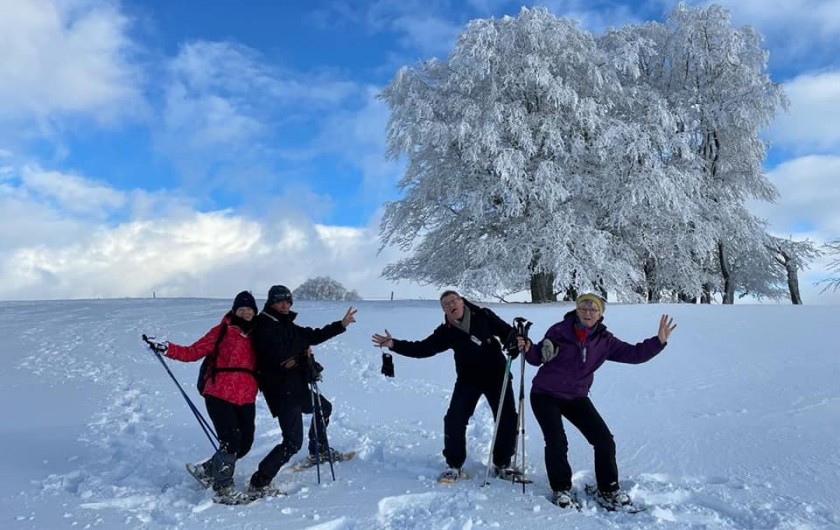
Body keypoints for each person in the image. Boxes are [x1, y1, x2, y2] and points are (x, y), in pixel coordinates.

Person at [517, 293, 676, 510]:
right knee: (556, 441)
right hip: (545, 394)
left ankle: (608, 489)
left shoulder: (604, 340)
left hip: (576, 396)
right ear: (577, 310)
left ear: (600, 314)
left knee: (604, 440)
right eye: (583, 308)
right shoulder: (559, 330)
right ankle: (561, 489)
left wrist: (658, 342)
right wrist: (529, 348)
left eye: (593, 309)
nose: (588, 313)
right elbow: (538, 358)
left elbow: (634, 354)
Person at [371, 290, 522, 483]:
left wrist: (515, 343)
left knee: (507, 418)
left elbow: (508, 333)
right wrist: (394, 344)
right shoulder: (447, 331)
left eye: (453, 301)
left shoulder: (483, 316)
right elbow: (423, 348)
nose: (451, 306)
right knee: (454, 419)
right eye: (446, 305)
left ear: (462, 302)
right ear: (444, 310)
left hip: (497, 376)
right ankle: (454, 465)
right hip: (468, 379)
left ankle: (502, 464)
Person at [248, 284, 357, 495]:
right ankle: (259, 482)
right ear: (271, 302)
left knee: (324, 408)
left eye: (288, 301)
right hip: (281, 392)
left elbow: (313, 336)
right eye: (280, 301)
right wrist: (302, 353)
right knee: (291, 442)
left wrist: (341, 325)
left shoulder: (287, 324)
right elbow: (279, 353)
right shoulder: (263, 325)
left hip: (296, 387)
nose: (285, 304)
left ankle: (318, 450)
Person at [159, 291, 260, 505]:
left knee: (245, 443)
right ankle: (223, 487)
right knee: (231, 439)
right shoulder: (221, 331)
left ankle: (206, 471)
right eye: (241, 309)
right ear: (234, 311)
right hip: (219, 392)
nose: (245, 313)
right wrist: (167, 348)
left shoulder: (259, 335)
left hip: (246, 396)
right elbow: (192, 352)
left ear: (255, 312)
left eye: (249, 309)